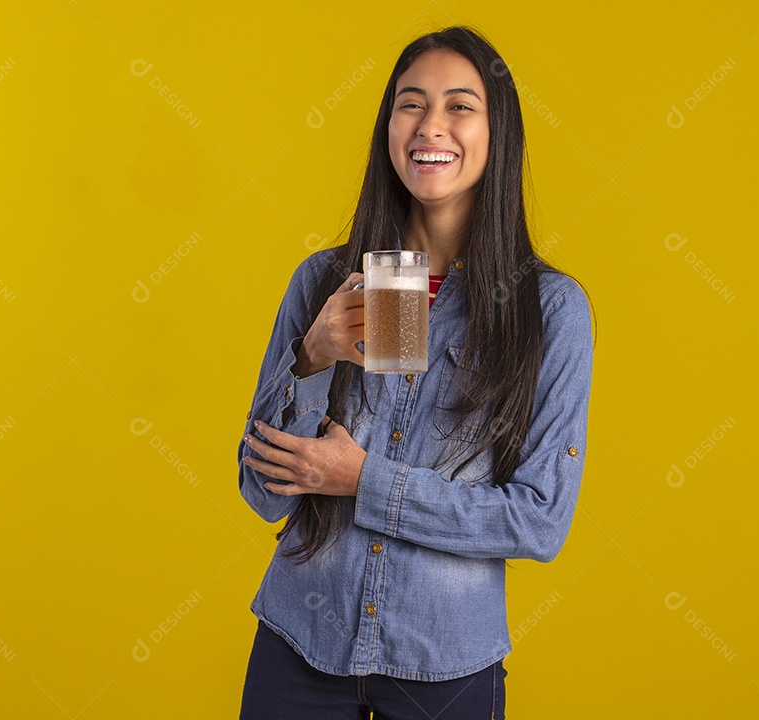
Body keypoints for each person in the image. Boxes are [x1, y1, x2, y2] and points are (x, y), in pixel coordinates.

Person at [236, 25, 594, 720]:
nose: (432, 125)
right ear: (388, 126)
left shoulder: (549, 309)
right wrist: (311, 358)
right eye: (411, 103)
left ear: (498, 135)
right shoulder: (324, 282)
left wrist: (363, 480)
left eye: (460, 105)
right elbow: (262, 495)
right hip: (299, 645)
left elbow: (539, 521)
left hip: (445, 662)